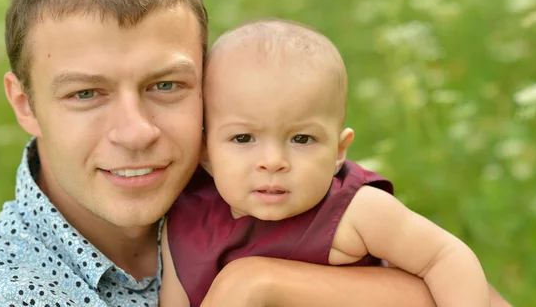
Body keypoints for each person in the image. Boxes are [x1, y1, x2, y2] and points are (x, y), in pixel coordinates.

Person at [0, 0, 511, 307]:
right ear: (24, 103)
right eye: (86, 94)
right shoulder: (7, 292)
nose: (137, 132)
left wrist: (262, 283)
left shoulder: (248, 166)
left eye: (166, 85)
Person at [160, 19, 489, 307]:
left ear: (338, 151)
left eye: (301, 139)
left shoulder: (356, 212)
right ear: (205, 151)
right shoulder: (185, 220)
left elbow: (445, 257)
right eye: (244, 138)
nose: (273, 162)